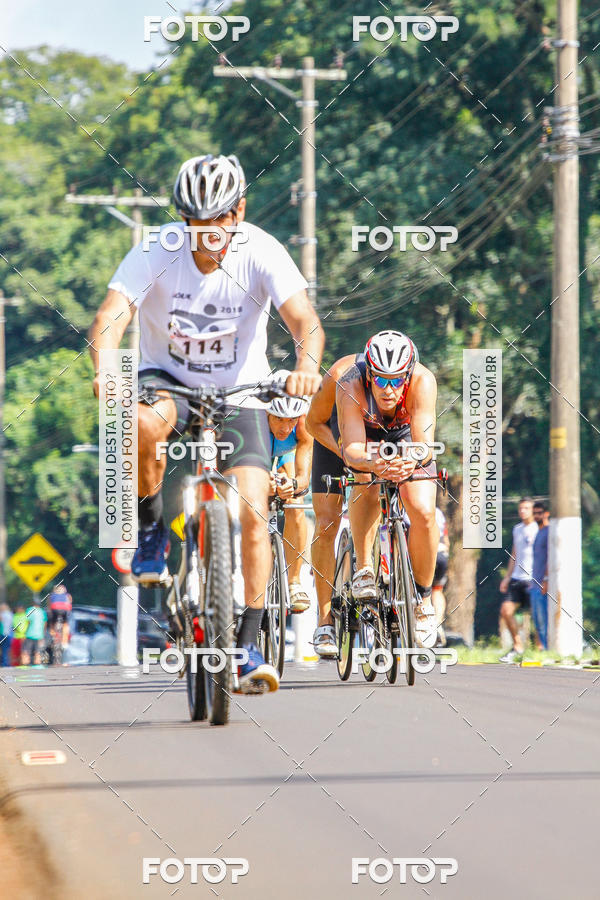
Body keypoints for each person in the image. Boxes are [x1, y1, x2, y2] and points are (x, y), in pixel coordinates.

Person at [89, 153, 323, 694]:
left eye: (219, 219)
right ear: (182, 219)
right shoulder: (156, 250)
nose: (208, 233)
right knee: (140, 422)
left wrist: (307, 368)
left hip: (242, 387)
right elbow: (112, 316)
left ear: (238, 212)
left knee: (254, 503)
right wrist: (105, 367)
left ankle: (248, 642)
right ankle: (151, 527)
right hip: (167, 380)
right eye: (196, 222)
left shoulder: (262, 250)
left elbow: (304, 321)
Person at [336, 331, 440, 648]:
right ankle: (365, 568)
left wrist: (409, 463)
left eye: (396, 381)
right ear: (369, 374)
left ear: (408, 375)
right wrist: (375, 463)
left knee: (421, 508)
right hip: (365, 436)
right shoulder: (350, 383)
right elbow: (352, 449)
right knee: (364, 482)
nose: (389, 389)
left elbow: (425, 445)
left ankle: (422, 601)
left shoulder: (423, 381)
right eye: (381, 380)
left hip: (407, 436)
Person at [305, 353, 358, 657]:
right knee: (326, 524)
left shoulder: (408, 382)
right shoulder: (339, 375)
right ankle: (324, 619)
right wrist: (343, 450)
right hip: (332, 437)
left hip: (375, 436)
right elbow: (313, 423)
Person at [268, 392, 313, 614]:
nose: (286, 427)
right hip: (256, 447)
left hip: (286, 455)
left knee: (296, 503)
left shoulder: (304, 422)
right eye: (278, 419)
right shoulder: (256, 417)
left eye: (291, 420)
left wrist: (292, 485)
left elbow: (304, 478)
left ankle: (294, 581)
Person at [499, 497, 538, 662]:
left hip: (533, 578)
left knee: (538, 616)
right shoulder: (517, 529)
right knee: (506, 611)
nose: (523, 511)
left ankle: (540, 649)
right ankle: (517, 645)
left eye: (527, 508)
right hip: (517, 577)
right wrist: (507, 577)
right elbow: (514, 555)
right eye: (521, 508)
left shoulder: (539, 529)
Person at [530, 501, 549, 650]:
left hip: (543, 583)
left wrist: (546, 579)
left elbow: (551, 557)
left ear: (546, 513)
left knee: (544, 621)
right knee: (537, 621)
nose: (537, 516)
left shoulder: (548, 531)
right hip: (534, 583)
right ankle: (544, 648)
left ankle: (549, 649)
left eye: (539, 513)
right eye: (534, 513)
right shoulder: (538, 532)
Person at [432, 507, 449, 646]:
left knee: (416, 591)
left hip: (423, 555)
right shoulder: (439, 513)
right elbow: (446, 540)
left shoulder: (408, 510)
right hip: (441, 553)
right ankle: (438, 623)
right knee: (437, 590)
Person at [47, 584, 72, 659]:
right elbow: (70, 603)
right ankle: (64, 642)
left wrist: (51, 613)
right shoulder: (67, 595)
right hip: (64, 609)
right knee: (65, 624)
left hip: (55, 608)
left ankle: (52, 633)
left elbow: (49, 606)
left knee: (52, 622)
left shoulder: (51, 595)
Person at [21, 598, 47, 666]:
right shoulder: (42, 612)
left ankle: (25, 663)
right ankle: (37, 663)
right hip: (39, 634)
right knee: (37, 651)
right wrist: (43, 634)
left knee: (26, 650)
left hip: (29, 633)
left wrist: (23, 632)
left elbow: (26, 622)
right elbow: (45, 624)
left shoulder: (30, 610)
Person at [0, 602, 13, 667]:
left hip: (2, 634)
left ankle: (3, 663)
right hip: (8, 634)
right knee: (6, 649)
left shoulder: (2, 614)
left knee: (3, 649)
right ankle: (6, 663)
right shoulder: (10, 614)